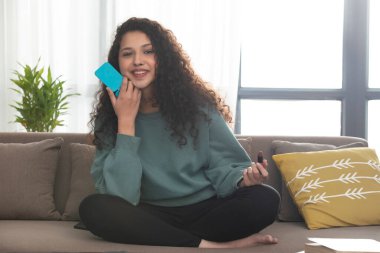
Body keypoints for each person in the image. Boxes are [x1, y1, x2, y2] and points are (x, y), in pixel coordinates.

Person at [80, 17, 280, 248]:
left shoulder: (198, 108)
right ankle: (211, 244)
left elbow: (227, 167)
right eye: (127, 54)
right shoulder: (110, 118)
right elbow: (121, 198)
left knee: (265, 198)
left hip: (204, 210)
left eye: (148, 52)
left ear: (163, 59)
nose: (137, 61)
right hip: (148, 213)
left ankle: (169, 238)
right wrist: (126, 122)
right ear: (117, 64)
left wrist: (245, 180)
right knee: (94, 208)